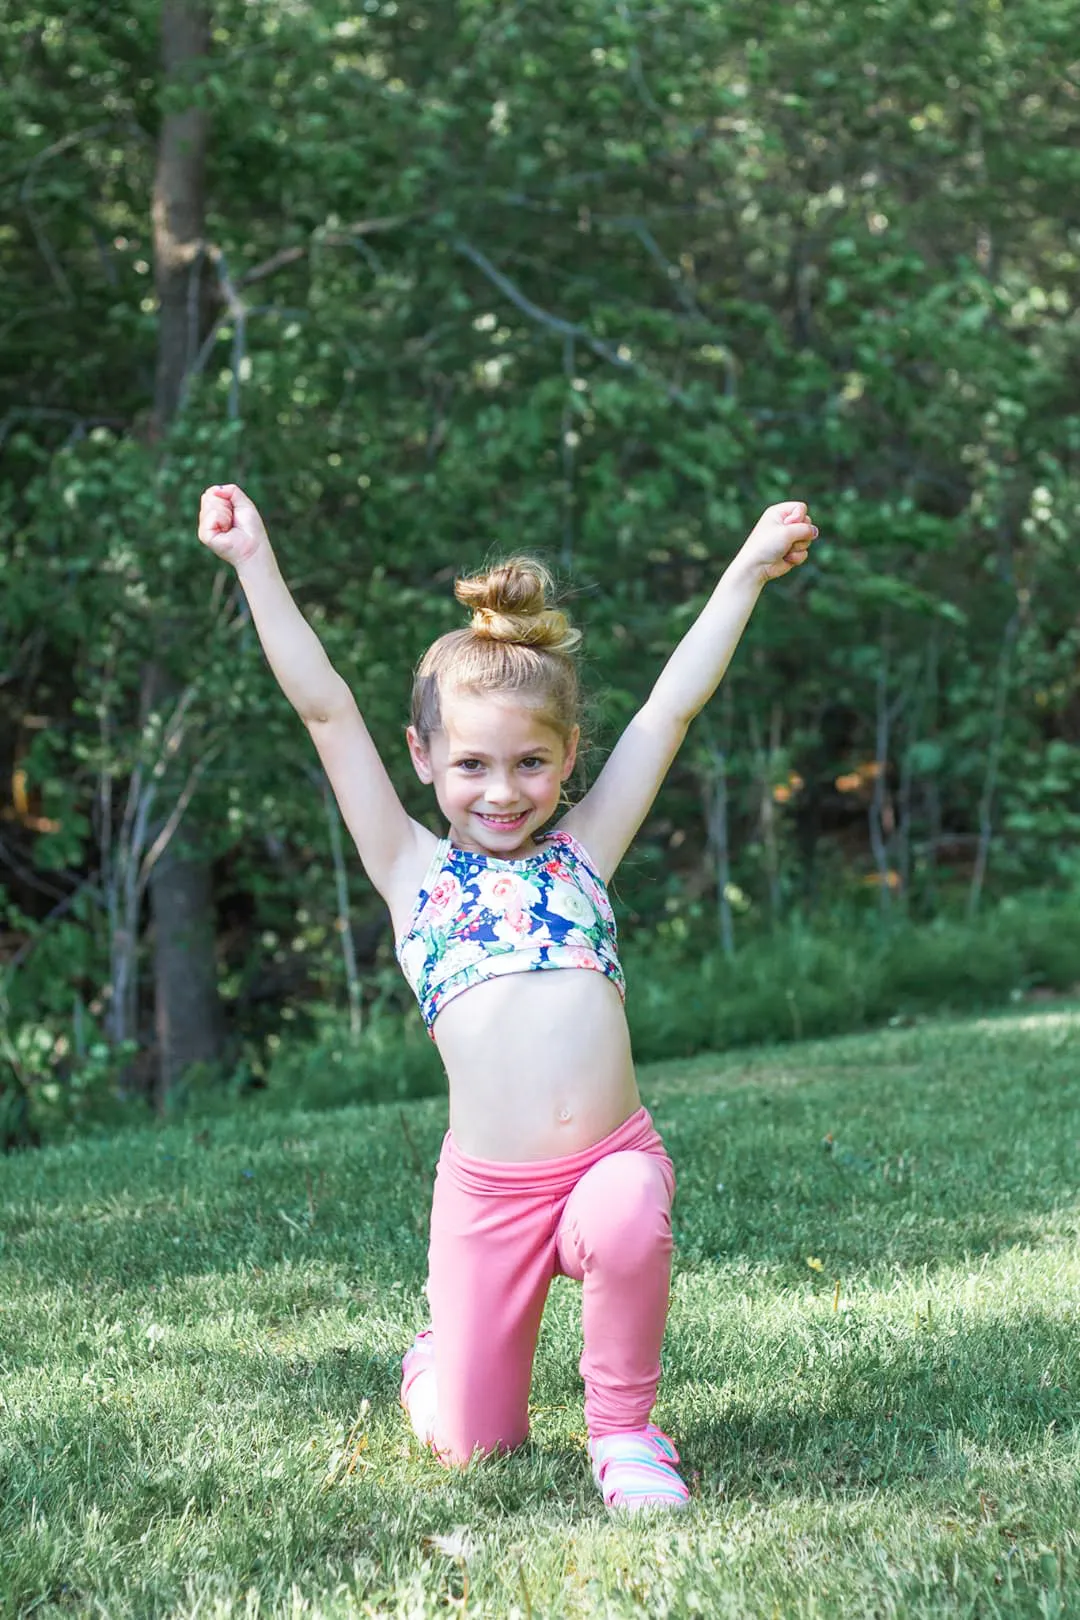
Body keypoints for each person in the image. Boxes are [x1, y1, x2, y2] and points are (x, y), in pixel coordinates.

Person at [197, 484, 817, 1511]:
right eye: (473, 763)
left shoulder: (584, 853)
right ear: (424, 758)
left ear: (569, 760)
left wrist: (746, 568)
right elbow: (324, 706)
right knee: (476, 1451)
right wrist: (254, 562)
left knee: (626, 1217)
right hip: (488, 1199)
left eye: (532, 762)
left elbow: (671, 707)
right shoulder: (412, 872)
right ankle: (437, 1364)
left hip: (611, 1157)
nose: (502, 789)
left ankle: (625, 1436)